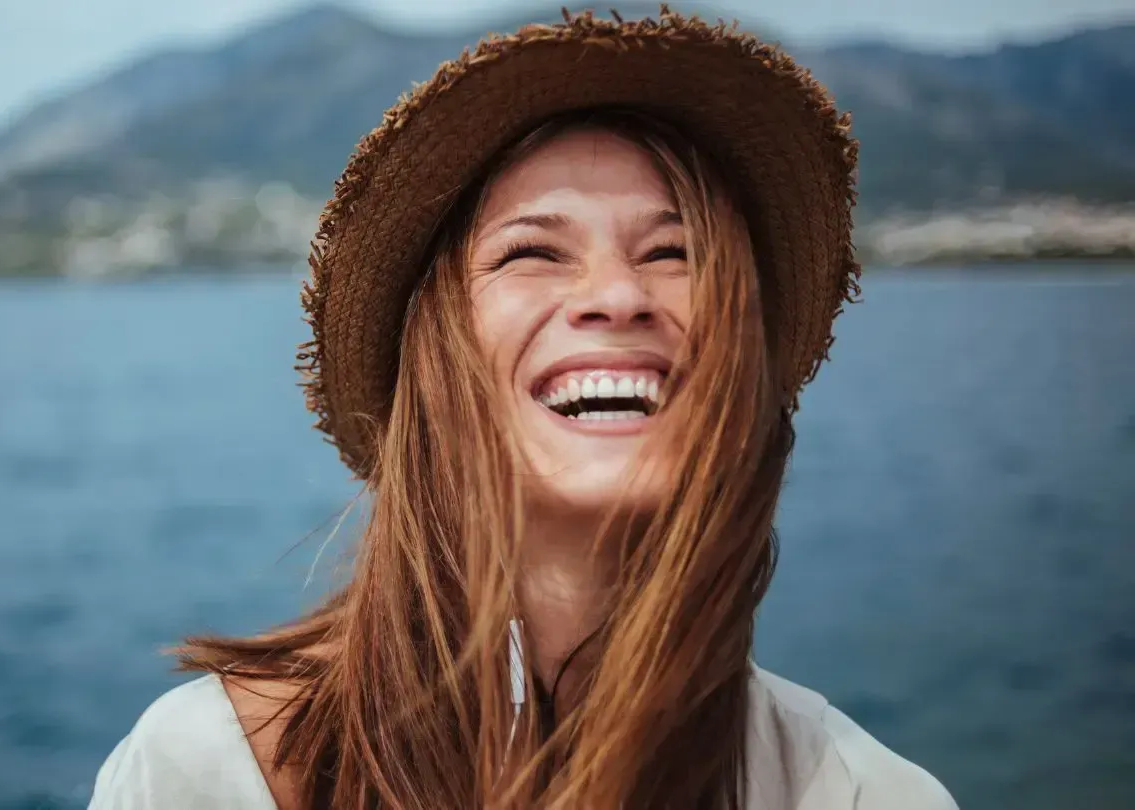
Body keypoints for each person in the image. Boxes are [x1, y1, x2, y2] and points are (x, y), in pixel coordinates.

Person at [87, 8, 958, 810]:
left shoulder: (861, 794)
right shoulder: (207, 771)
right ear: (436, 356)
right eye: (533, 252)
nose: (618, 294)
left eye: (674, 252)